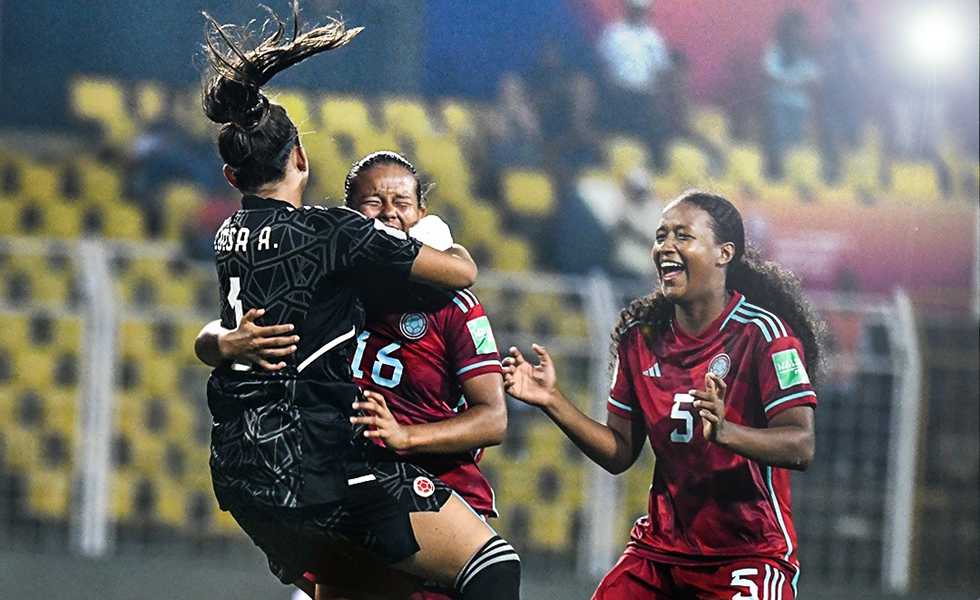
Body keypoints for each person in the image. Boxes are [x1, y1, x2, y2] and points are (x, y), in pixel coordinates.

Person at [194, 5, 520, 599]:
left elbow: (214, 337)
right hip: (317, 466)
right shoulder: (335, 235)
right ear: (302, 159)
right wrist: (434, 234)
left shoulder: (229, 237)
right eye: (376, 205)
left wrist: (222, 342)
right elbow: (460, 268)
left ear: (231, 173)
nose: (389, 214)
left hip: (242, 469)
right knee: (493, 568)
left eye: (404, 202)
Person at [503, 190, 823, 599]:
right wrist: (553, 401)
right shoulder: (640, 340)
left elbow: (801, 444)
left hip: (747, 552)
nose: (665, 247)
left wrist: (728, 433)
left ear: (724, 253)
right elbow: (619, 452)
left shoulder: (766, 336)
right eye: (661, 235)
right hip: (660, 553)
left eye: (682, 236)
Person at [596, 0, 672, 164]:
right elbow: (603, 66)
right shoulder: (613, 33)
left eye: (642, 10)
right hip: (619, 95)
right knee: (621, 139)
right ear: (627, 8)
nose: (639, 13)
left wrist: (658, 98)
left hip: (645, 97)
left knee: (645, 141)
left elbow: (661, 70)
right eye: (635, 9)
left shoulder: (653, 37)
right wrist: (610, 92)